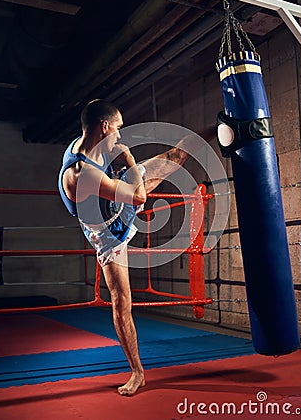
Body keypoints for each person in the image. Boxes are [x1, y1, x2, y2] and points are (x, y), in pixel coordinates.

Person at [58, 99, 216, 396]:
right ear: (103, 127)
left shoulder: (86, 143)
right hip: (108, 234)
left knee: (173, 157)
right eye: (117, 129)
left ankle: (219, 126)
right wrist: (129, 158)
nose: (120, 136)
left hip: (116, 194)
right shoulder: (82, 173)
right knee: (121, 302)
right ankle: (137, 373)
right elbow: (140, 198)